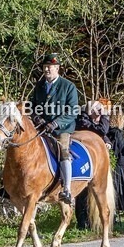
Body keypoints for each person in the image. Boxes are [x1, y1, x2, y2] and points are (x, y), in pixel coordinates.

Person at [28, 52, 80, 204]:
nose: (47, 70)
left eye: (50, 67)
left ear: (57, 68)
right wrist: (36, 117)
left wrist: (56, 123)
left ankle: (67, 189)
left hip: (61, 129)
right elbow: (32, 106)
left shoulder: (68, 86)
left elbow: (73, 111)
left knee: (63, 152)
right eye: (45, 67)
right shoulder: (39, 86)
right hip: (41, 127)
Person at [73, 100, 110, 230]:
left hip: (89, 159)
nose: (100, 114)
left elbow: (101, 134)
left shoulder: (88, 122)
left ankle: (89, 220)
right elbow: (102, 130)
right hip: (82, 161)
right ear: (90, 111)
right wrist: (105, 116)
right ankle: (82, 222)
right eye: (98, 110)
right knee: (82, 193)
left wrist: (106, 141)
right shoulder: (83, 121)